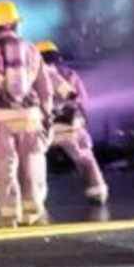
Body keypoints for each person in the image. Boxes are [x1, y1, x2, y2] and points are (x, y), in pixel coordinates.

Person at [0, 0, 54, 227]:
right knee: (33, 163)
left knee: (6, 165)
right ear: (15, 24)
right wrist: (46, 115)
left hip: (2, 120)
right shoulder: (33, 50)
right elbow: (46, 89)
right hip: (31, 119)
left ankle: (10, 214)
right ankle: (33, 211)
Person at [36, 40, 109, 205]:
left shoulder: (35, 75)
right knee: (84, 157)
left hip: (44, 127)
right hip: (71, 126)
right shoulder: (69, 74)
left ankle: (34, 197)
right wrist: (82, 121)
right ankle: (97, 192)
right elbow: (82, 100)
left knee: (33, 160)